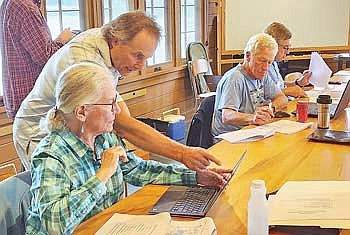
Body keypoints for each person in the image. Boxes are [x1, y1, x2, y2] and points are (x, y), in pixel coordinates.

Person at [25, 62, 231, 235]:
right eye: (110, 104)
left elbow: (139, 170)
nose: (117, 110)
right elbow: (54, 225)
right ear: (81, 112)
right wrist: (103, 174)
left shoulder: (103, 137)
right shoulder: (50, 155)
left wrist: (196, 176)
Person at [14, 11, 221, 171]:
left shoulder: (109, 49)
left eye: (146, 58)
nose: (141, 66)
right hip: (38, 132)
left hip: (75, 130)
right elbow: (124, 125)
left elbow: (121, 119)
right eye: (137, 56)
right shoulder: (85, 58)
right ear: (115, 41)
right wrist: (182, 153)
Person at [0, 0, 74, 119]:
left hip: (17, 96)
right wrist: (63, 38)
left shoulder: (8, 3)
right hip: (32, 100)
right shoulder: (26, 8)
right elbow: (45, 56)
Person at [212, 33, 288, 136]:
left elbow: (281, 98)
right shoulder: (235, 78)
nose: (266, 68)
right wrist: (253, 118)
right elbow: (227, 116)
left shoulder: (262, 75)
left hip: (251, 131)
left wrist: (270, 109)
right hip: (229, 138)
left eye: (269, 62)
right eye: (262, 60)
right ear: (248, 56)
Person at [264, 22, 312, 98]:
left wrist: (298, 83)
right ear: (273, 46)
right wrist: (288, 91)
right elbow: (264, 95)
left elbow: (279, 85)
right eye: (285, 48)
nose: (287, 52)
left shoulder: (274, 63)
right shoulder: (262, 67)